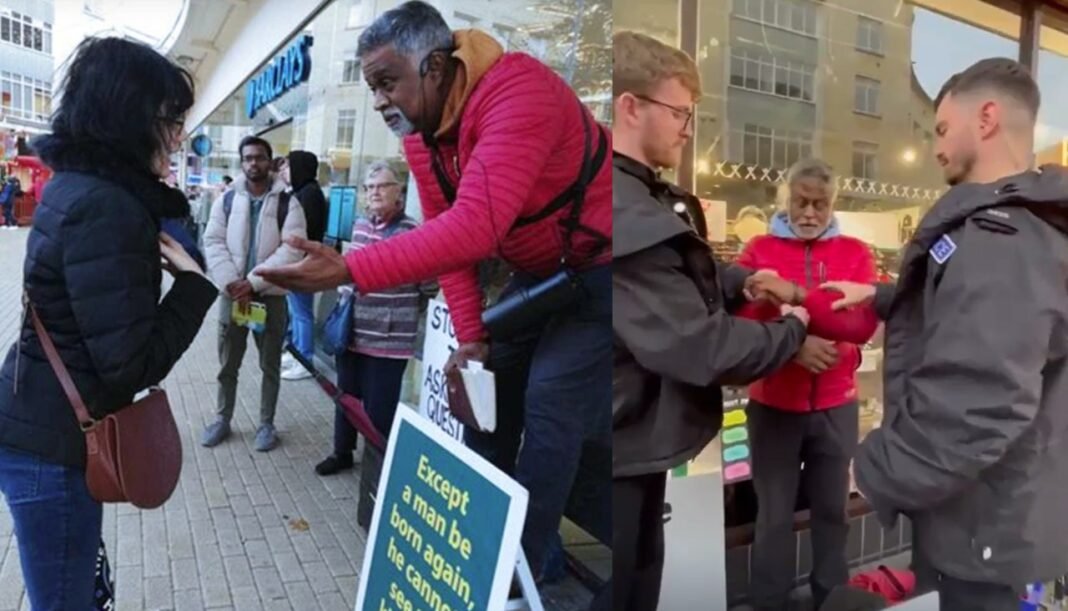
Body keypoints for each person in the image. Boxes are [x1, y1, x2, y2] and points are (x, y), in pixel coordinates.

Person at [257, 0, 612, 583]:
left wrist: (351, 269)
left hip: (602, 272)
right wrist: (470, 340)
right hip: (540, 276)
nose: (378, 102)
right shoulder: (423, 137)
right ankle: (483, 545)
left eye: (387, 82)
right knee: (481, 395)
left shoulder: (519, 91)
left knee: (550, 405)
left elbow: (474, 227)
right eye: (371, 87)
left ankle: (523, 564)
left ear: (437, 66)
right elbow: (452, 241)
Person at [823, 58, 1068, 611]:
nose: (934, 147)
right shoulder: (1024, 229)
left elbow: (979, 400)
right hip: (999, 515)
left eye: (939, 129)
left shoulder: (998, 239)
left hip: (986, 526)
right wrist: (887, 297)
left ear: (985, 118)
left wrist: (872, 469)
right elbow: (997, 321)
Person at [0, 37, 217, 608]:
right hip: (55, 449)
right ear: (130, 117)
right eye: (170, 120)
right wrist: (193, 287)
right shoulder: (108, 207)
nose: (175, 138)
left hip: (40, 429)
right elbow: (128, 367)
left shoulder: (78, 186)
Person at [611, 31, 811, 611]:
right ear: (631, 107)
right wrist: (792, 327)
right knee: (626, 584)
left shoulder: (643, 193)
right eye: (679, 112)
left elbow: (675, 274)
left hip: (636, 438)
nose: (687, 128)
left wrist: (739, 281)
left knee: (642, 576)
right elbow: (703, 347)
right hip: (623, 440)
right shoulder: (623, 206)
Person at [735, 158, 879, 611]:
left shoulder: (855, 253)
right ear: (786, 202)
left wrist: (845, 353)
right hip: (773, 407)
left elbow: (862, 321)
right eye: (801, 202)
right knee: (773, 517)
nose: (810, 213)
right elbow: (742, 322)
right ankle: (769, 603)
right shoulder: (757, 251)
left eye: (820, 203)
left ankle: (831, 600)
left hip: (836, 406)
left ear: (833, 204)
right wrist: (794, 346)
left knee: (832, 516)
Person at [316, 160, 437, 475]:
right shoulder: (359, 225)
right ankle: (342, 452)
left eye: (382, 185)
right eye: (369, 187)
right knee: (346, 399)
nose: (375, 192)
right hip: (353, 332)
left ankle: (380, 466)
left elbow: (429, 285)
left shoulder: (413, 232)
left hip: (389, 340)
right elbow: (348, 271)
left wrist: (401, 308)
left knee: (379, 410)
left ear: (400, 191)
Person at [201, 135, 307, 452]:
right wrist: (233, 283)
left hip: (270, 296)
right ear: (241, 161)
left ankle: (266, 424)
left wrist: (253, 282)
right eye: (247, 158)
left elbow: (293, 250)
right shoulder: (228, 199)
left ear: (270, 161)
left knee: (270, 365)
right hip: (232, 295)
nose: (253, 163)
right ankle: (222, 418)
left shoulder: (289, 202)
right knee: (227, 364)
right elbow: (213, 240)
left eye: (259, 157)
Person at [278, 150, 328, 381]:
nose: (283, 171)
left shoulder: (310, 194)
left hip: (304, 262)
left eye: (288, 166)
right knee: (295, 310)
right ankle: (297, 352)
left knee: (302, 312)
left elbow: (305, 231)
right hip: (297, 260)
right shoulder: (302, 192)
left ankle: (305, 358)